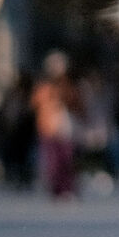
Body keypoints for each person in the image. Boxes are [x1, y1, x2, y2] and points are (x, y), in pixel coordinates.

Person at [31, 52, 81, 201]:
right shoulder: (43, 88)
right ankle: (56, 190)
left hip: (66, 130)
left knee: (67, 161)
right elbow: (35, 104)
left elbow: (76, 103)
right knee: (53, 164)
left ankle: (68, 189)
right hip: (48, 130)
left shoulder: (69, 86)